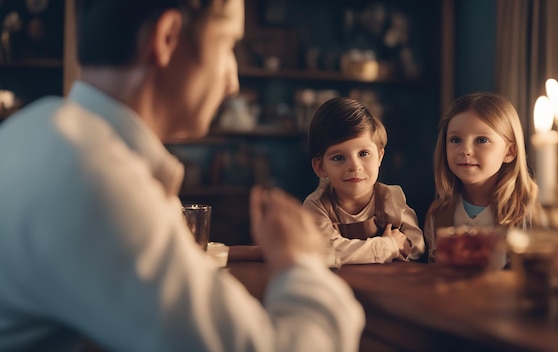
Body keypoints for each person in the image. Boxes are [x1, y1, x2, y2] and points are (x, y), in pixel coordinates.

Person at [0, 1, 364, 351]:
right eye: (227, 45)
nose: (232, 82)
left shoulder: (28, 132)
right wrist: (300, 261)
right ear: (168, 37)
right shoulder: (94, 180)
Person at [423, 92, 546, 265]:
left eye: (481, 140)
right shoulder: (439, 214)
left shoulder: (526, 212)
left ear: (509, 152)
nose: (465, 150)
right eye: (455, 139)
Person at [303, 97, 425, 264]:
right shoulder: (317, 206)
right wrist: (388, 245)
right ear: (320, 167)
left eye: (363, 154)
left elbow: (416, 244)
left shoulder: (391, 198)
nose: (354, 166)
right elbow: (328, 251)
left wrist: (405, 244)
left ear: (380, 156)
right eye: (339, 157)